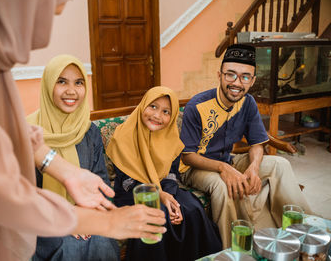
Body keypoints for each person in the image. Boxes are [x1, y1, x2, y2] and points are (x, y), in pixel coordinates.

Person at [0, 0, 165, 260]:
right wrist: (106, 223)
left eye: (79, 83)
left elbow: (5, 131)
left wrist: (65, 171)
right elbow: (2, 191)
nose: (61, 9)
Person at [180, 44, 312, 248]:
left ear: (252, 81)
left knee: (279, 164)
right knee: (224, 185)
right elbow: (187, 156)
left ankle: (302, 232)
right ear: (220, 75)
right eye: (230, 75)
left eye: (244, 77)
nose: (236, 83)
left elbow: (257, 143)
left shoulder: (248, 102)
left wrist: (253, 166)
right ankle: (237, 249)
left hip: (228, 160)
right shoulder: (196, 106)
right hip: (195, 167)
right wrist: (224, 169)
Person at [107, 86, 223, 261]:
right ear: (143, 105)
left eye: (166, 111)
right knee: (156, 215)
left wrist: (169, 196)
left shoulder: (171, 138)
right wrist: (158, 195)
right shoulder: (123, 136)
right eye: (153, 106)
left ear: (172, 116)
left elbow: (171, 173)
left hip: (164, 188)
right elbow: (126, 182)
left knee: (191, 209)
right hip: (134, 192)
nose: (157, 115)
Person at [27, 54, 120, 261]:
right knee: (69, 247)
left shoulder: (89, 131)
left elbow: (101, 181)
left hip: (85, 212)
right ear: (49, 85)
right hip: (42, 221)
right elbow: (21, 193)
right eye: (61, 81)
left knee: (101, 240)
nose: (71, 90)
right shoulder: (28, 133)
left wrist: (83, 212)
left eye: (78, 82)